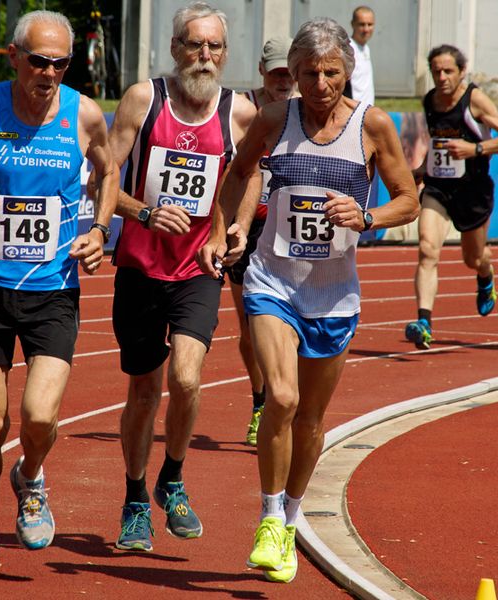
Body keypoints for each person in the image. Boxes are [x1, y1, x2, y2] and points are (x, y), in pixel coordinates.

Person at [198, 17, 419, 584]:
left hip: (334, 295)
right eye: (308, 73)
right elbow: (238, 171)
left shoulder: (372, 127)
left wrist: (366, 216)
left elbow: (409, 201)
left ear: (347, 71)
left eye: (330, 73)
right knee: (284, 398)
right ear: (291, 75)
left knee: (313, 421)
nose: (320, 84)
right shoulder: (276, 117)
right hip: (272, 281)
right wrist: (225, 231)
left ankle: (292, 520)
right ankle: (269, 518)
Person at [0, 10, 119, 582]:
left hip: (54, 286)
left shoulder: (83, 115)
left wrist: (100, 230)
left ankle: (31, 475)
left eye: (61, 62)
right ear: (14, 58)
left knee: (38, 415)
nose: (50, 72)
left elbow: (108, 174)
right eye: (39, 61)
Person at [104, 1, 255, 553]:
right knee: (144, 390)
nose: (205, 55)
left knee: (187, 378)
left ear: (224, 53)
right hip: (141, 268)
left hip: (198, 267)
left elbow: (250, 172)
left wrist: (233, 227)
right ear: (175, 49)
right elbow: (103, 179)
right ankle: (136, 498)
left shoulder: (238, 111)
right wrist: (140, 212)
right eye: (195, 44)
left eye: (214, 46)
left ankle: (173, 476)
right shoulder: (144, 100)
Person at [228, 36, 298, 447]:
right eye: (276, 74)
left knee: (289, 319)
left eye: (290, 73)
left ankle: (283, 395)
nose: (284, 81)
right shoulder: (242, 109)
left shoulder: (306, 111)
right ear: (262, 71)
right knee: (248, 325)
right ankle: (261, 400)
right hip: (247, 227)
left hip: (287, 229)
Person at [405, 44, 498, 350]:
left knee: (473, 258)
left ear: (461, 72)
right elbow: (438, 143)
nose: (441, 77)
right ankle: (424, 322)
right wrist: (421, 169)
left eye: (448, 71)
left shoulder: (475, 99)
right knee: (427, 249)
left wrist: (476, 149)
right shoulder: (431, 100)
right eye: (436, 71)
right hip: (438, 186)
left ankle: (486, 275)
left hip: (472, 190)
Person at [344, 6, 375, 105]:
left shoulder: (366, 48)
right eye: (362, 24)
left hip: (367, 110)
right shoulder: (348, 49)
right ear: (352, 24)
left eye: (370, 24)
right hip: (354, 110)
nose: (366, 29)